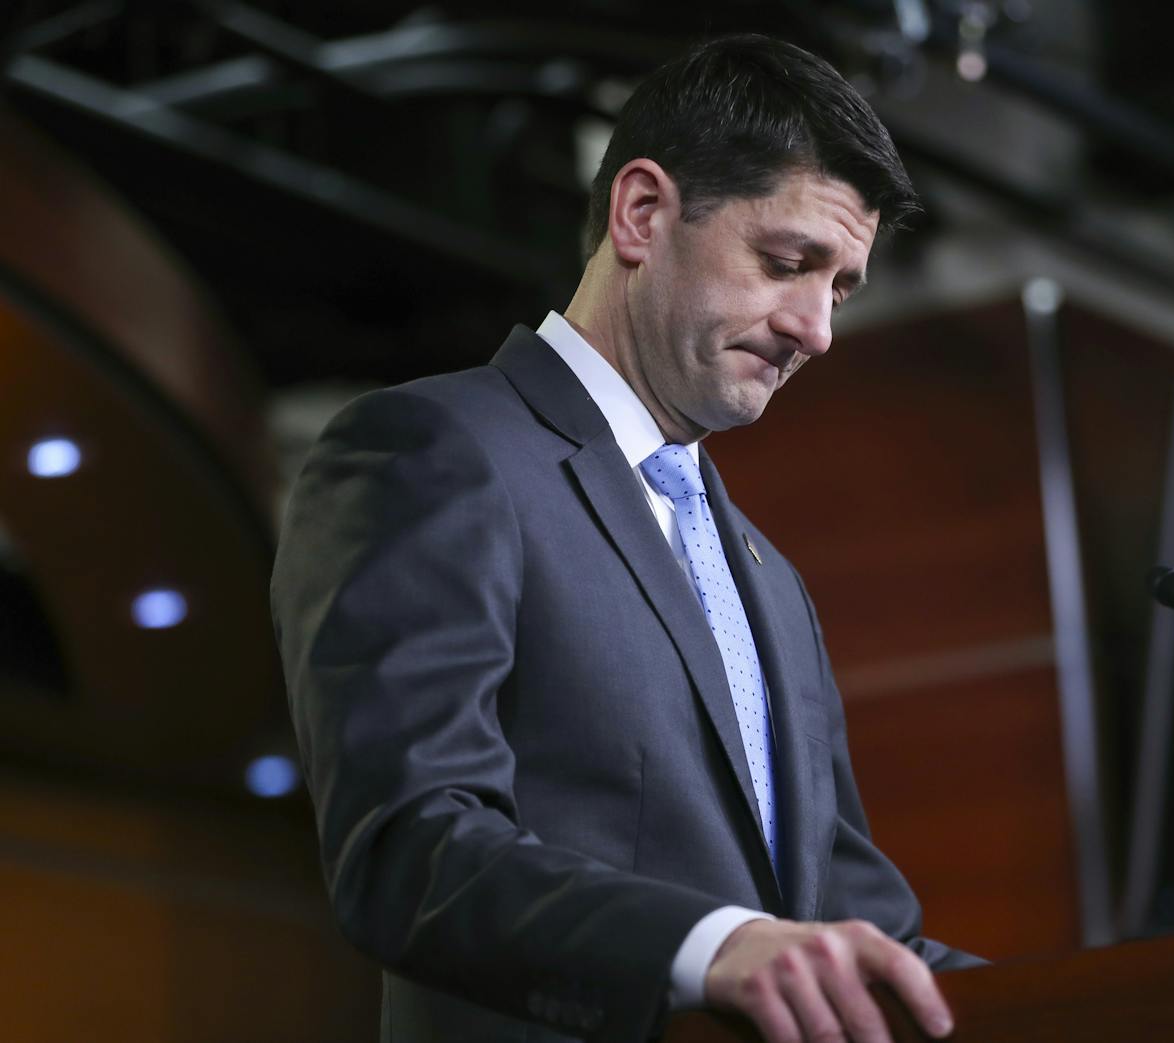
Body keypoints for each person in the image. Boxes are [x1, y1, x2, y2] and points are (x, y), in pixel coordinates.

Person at [271, 33, 981, 1043]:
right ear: (642, 212)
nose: (816, 327)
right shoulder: (430, 449)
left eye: (839, 287)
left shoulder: (770, 580)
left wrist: (1148, 1001)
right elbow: (408, 847)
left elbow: (859, 932)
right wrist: (707, 944)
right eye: (788, 263)